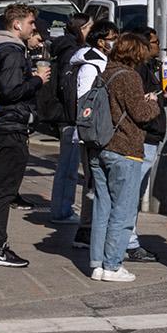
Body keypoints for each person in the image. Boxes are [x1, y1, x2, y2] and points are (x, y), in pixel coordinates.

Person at [0, 5, 51, 267]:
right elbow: (10, 91)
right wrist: (37, 80)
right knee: (5, 191)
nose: (33, 28)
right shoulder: (13, 52)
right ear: (17, 25)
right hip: (10, 126)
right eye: (30, 23)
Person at [87, 31, 165, 281]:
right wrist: (152, 102)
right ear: (136, 54)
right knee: (123, 210)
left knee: (102, 208)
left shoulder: (105, 73)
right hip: (124, 148)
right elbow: (141, 114)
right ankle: (112, 265)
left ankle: (98, 264)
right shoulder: (129, 77)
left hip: (99, 146)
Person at [46, 15, 109, 231]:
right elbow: (73, 89)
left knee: (68, 165)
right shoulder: (75, 53)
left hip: (68, 114)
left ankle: (62, 209)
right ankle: (62, 210)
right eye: (89, 27)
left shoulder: (68, 50)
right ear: (81, 29)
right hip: (72, 117)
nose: (92, 30)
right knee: (69, 166)